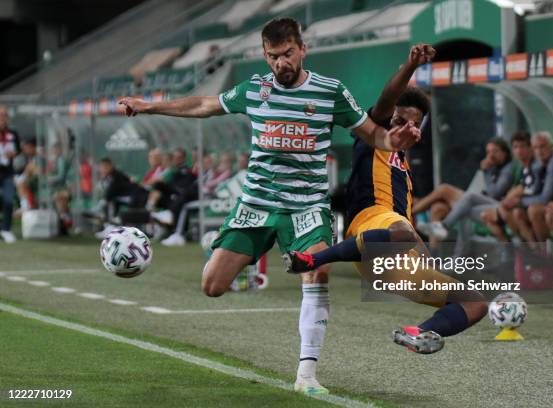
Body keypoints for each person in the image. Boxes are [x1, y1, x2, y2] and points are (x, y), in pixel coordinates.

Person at [118, 17, 418, 395]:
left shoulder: (330, 91)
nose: (281, 64)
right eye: (273, 56)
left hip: (307, 207)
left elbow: (369, 132)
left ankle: (306, 376)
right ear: (265, 55)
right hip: (256, 203)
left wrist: (393, 141)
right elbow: (203, 104)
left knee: (317, 273)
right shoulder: (254, 89)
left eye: (288, 54)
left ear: (303, 50)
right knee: (212, 287)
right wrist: (148, 107)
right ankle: (243, 259)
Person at [284, 44, 487, 355]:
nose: (406, 126)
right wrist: (410, 66)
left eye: (413, 124)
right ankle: (312, 260)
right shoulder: (372, 136)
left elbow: (405, 226)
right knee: (402, 231)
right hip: (370, 228)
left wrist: (423, 252)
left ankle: (418, 333)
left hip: (395, 262)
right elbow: (386, 100)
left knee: (475, 302)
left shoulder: (403, 167)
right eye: (401, 118)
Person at [417, 137, 514, 246]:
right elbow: (479, 188)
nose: (491, 155)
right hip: (482, 203)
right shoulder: (494, 168)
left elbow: (494, 193)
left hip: (497, 207)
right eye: (488, 152)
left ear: (504, 153)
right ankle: (434, 259)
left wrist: (486, 171)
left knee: (446, 190)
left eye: (495, 151)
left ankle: (414, 213)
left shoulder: (508, 169)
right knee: (438, 208)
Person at [480, 131, 536, 245]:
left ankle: (531, 248)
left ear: (531, 148)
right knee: (485, 215)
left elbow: (531, 188)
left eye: (523, 146)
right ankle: (511, 253)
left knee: (511, 211)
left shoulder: (534, 165)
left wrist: (517, 196)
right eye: (516, 147)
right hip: (510, 204)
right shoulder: (520, 166)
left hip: (530, 206)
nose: (519, 151)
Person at [0, 105, 19, 243]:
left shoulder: (12, 133)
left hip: (7, 172)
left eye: (5, 115)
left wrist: (14, 153)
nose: (3, 118)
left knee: (8, 200)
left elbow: (18, 149)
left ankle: (5, 229)